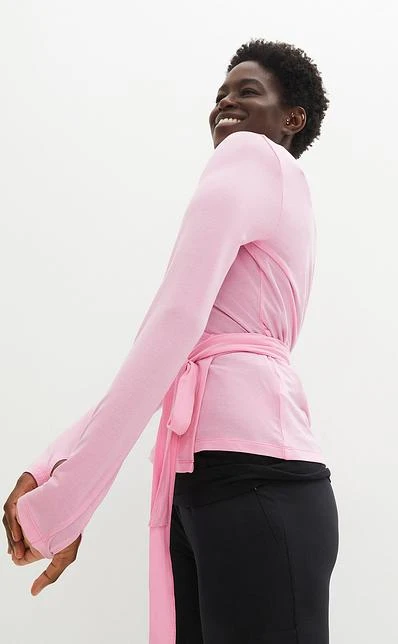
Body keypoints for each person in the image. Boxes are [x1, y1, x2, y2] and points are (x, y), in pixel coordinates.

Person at [3, 37, 339, 643]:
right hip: (229, 482)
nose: (225, 103)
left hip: (241, 483)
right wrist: (56, 466)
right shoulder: (286, 194)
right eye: (220, 93)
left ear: (293, 119)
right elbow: (169, 350)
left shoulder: (251, 157)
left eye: (247, 91)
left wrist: (68, 497)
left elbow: (173, 326)